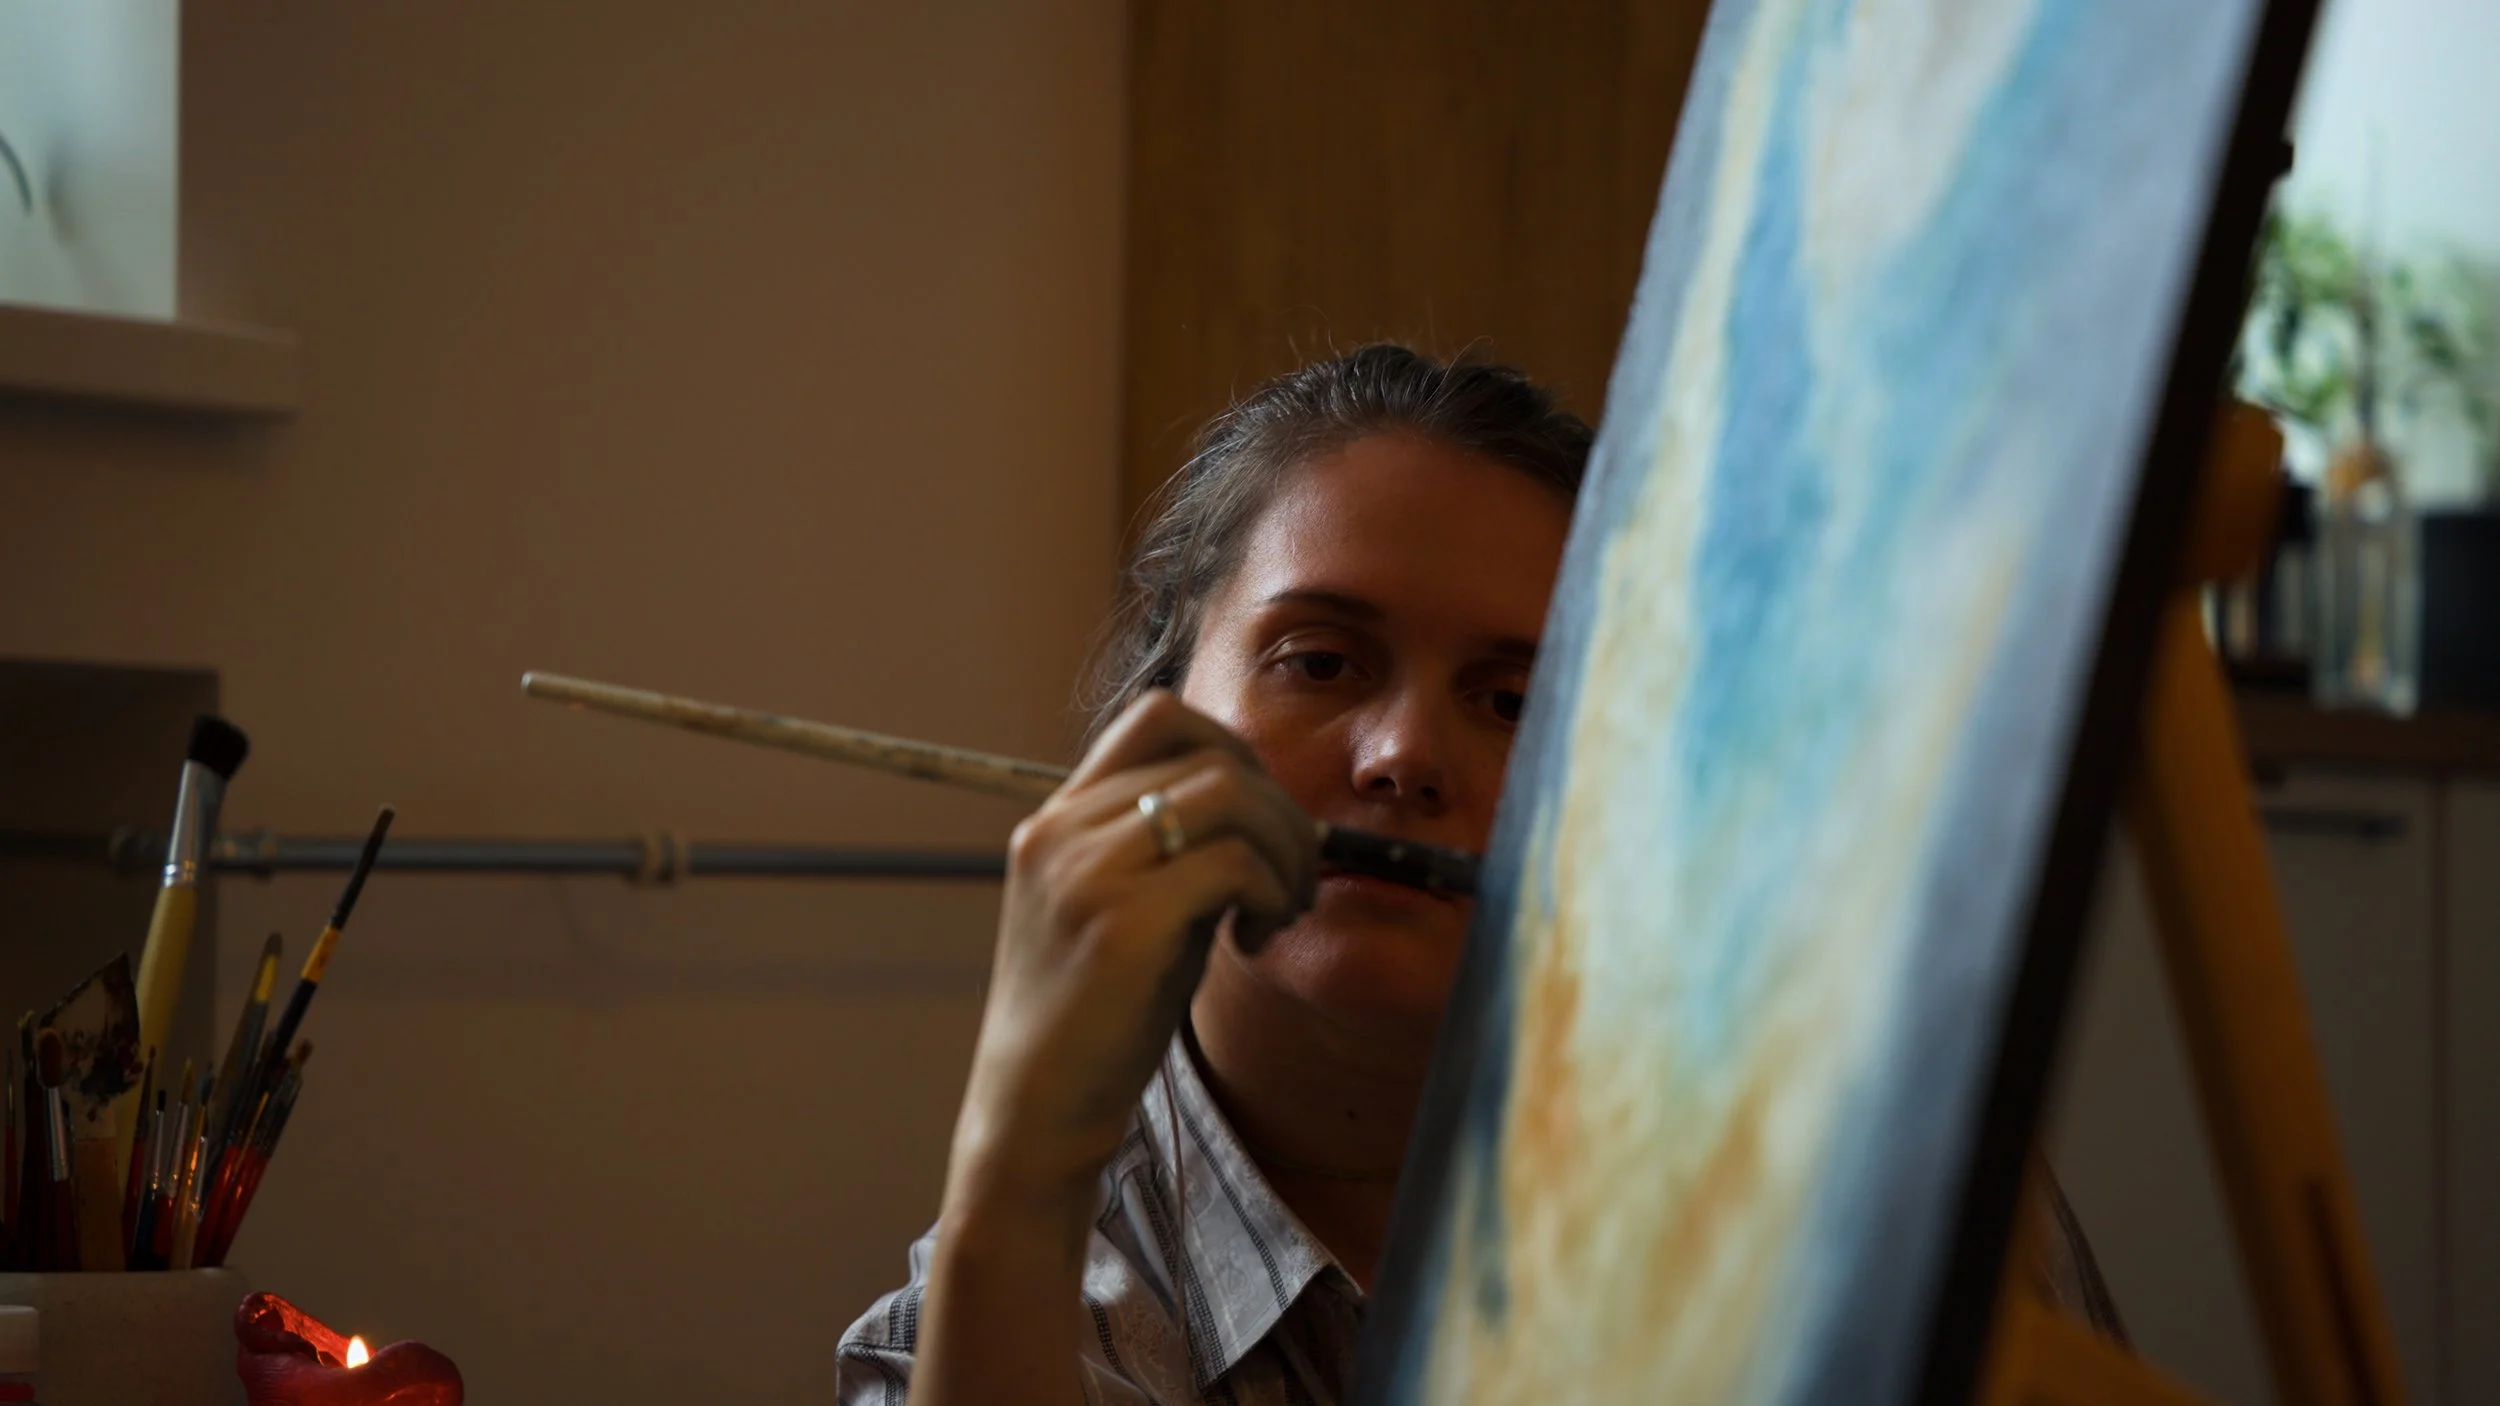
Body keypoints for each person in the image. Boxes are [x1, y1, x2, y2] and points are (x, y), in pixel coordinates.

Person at [834, 345, 2121, 1405]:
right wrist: (1014, 1168)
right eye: (1320, 660)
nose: (1402, 757)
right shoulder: (984, 1323)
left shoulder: (1838, 1164)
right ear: (1161, 701)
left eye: (1513, 697)